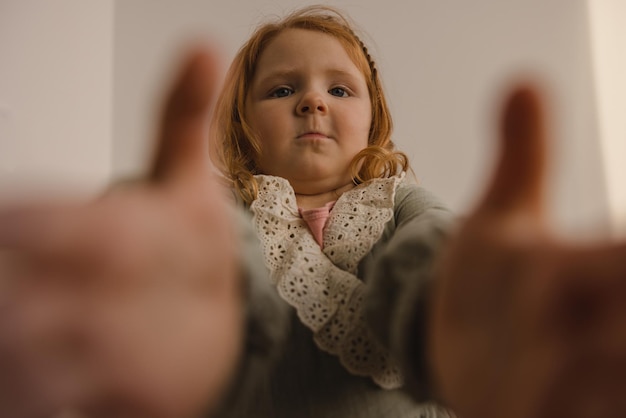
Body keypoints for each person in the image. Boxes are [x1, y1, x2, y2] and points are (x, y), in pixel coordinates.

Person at [0, 5, 625, 418]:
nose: (312, 102)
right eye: (282, 89)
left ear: (373, 118)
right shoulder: (230, 214)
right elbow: (207, 260)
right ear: (246, 127)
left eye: (339, 88)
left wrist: (462, 303)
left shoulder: (400, 204)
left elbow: (428, 259)